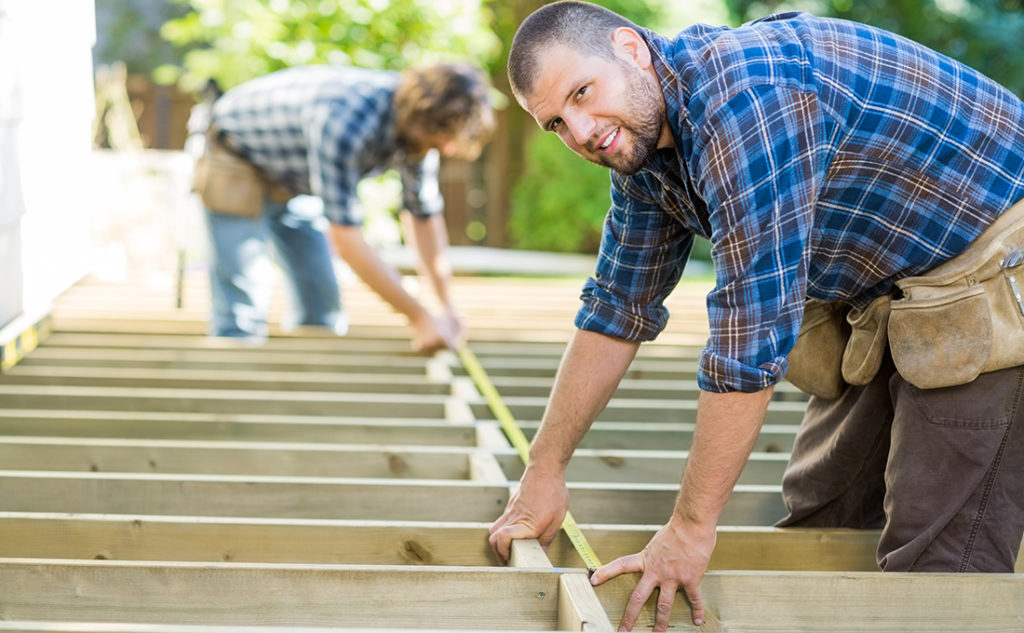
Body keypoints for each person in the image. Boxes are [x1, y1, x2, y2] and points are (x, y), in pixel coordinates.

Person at [488, 2, 1024, 631]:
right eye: (556, 122)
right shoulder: (641, 148)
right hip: (883, 284)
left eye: (582, 92)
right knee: (822, 513)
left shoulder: (745, 100)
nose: (580, 131)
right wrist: (542, 473)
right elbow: (616, 310)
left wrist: (690, 528)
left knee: (937, 565)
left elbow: (748, 341)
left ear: (631, 49)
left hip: (991, 266)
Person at [194, 63, 494, 351]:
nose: (448, 148)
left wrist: (446, 308)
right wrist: (419, 318)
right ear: (423, 118)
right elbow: (347, 242)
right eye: (443, 138)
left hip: (292, 177)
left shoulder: (422, 134)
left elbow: (424, 218)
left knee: (322, 310)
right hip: (235, 155)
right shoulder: (346, 122)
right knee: (243, 308)